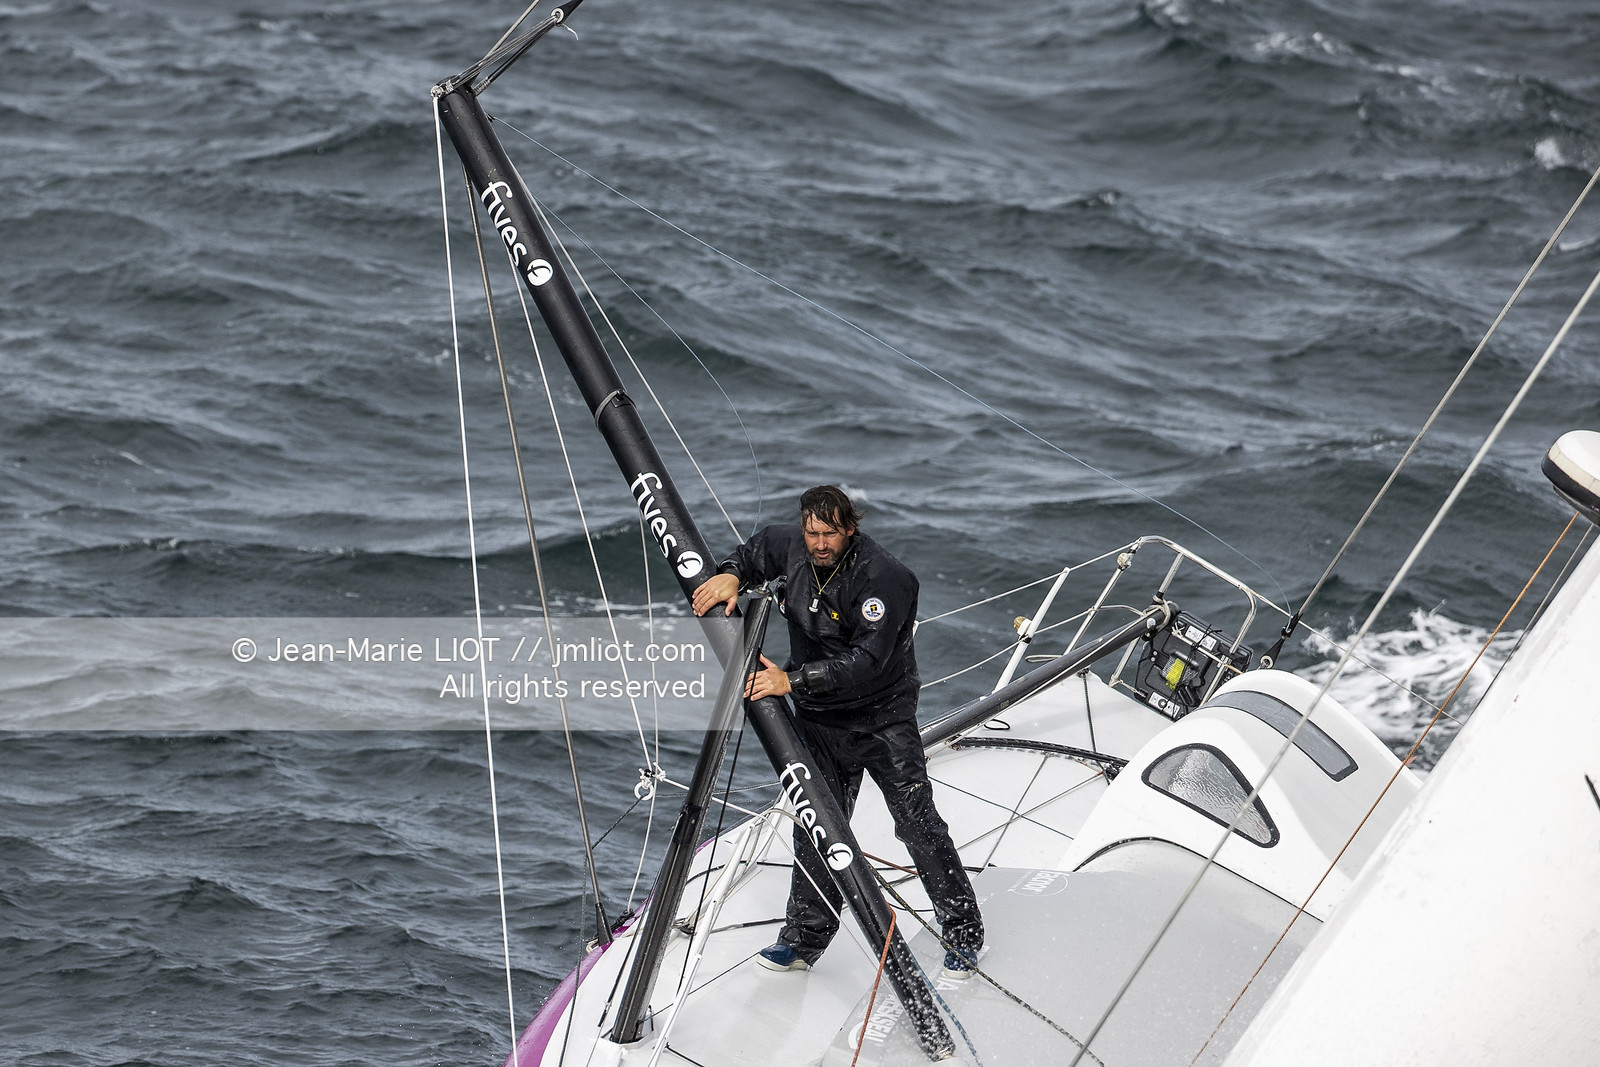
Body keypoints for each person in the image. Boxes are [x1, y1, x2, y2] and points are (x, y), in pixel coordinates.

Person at [691, 485, 985, 977]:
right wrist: (731, 574)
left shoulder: (884, 579)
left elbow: (868, 661)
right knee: (816, 824)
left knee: (917, 823)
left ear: (850, 528)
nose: (819, 543)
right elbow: (760, 548)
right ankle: (804, 940)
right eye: (812, 533)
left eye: (829, 534)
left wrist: (791, 680)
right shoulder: (795, 546)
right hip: (820, 721)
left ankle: (963, 932)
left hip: (881, 720)